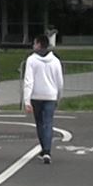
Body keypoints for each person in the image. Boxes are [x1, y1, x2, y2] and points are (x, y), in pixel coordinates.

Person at [22, 32, 65, 163]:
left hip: (36, 95)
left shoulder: (32, 60)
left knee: (40, 123)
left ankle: (44, 148)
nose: (33, 45)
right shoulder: (55, 61)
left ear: (39, 45)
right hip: (51, 95)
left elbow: (28, 80)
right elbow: (60, 81)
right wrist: (59, 96)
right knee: (48, 123)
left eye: (34, 43)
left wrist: (27, 100)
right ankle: (47, 150)